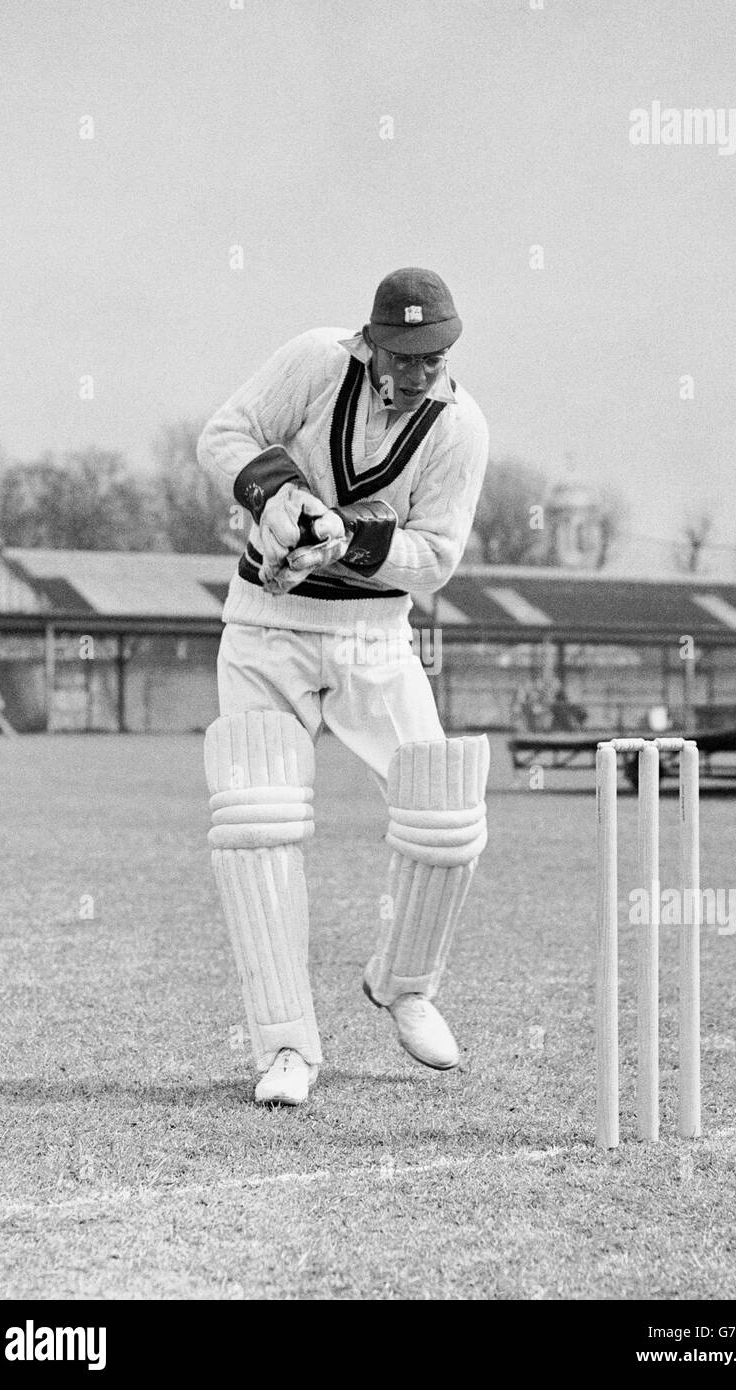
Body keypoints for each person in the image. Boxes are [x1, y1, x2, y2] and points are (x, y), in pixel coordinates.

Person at [198, 268, 490, 1104]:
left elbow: (434, 559)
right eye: (399, 356)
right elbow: (223, 433)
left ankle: (405, 984)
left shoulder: (461, 429)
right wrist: (281, 499)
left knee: (447, 815)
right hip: (265, 627)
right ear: (368, 344)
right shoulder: (317, 361)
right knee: (257, 829)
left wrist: (346, 543)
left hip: (375, 639)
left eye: (431, 357)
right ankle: (286, 1048)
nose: (414, 373)